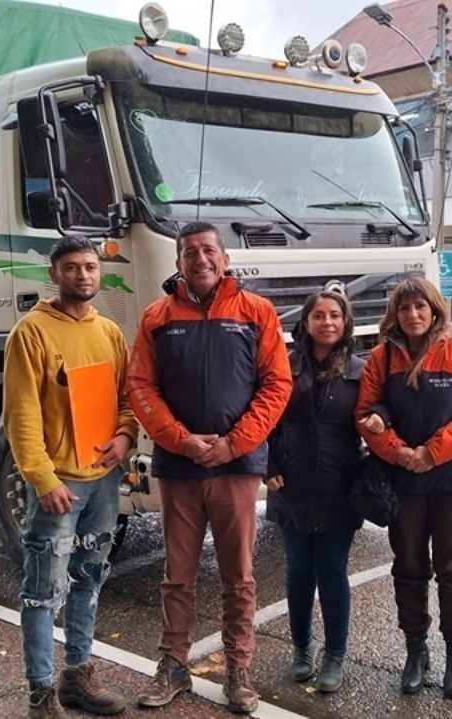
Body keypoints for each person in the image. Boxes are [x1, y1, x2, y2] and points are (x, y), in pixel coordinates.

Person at [127, 221, 292, 715]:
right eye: (190, 252)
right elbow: (140, 385)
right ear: (178, 262)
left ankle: (238, 669)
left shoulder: (255, 312)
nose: (200, 258)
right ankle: (173, 663)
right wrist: (181, 439)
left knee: (238, 575)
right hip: (178, 467)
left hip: (236, 467)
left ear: (225, 258)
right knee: (176, 575)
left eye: (208, 250)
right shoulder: (157, 316)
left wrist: (234, 444)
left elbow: (277, 385)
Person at [3, 235, 136, 719]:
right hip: (59, 486)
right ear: (53, 274)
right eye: (73, 268)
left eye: (91, 267)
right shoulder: (31, 333)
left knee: (89, 578)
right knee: (41, 593)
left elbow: (127, 398)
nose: (83, 275)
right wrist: (41, 478)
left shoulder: (110, 333)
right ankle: (41, 693)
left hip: (101, 481)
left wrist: (125, 438)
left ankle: (78, 676)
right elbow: (21, 415)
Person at [355, 275, 452, 699]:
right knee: (409, 566)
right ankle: (416, 650)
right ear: (395, 314)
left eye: (420, 307)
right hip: (403, 479)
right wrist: (397, 452)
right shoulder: (381, 357)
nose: (412, 315)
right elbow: (365, 412)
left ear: (434, 310)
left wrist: (430, 453)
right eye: (404, 308)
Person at [264, 285, 367, 693]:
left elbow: (376, 416)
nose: (327, 322)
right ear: (305, 323)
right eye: (319, 315)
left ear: (345, 324)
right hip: (290, 484)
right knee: (298, 571)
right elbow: (265, 421)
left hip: (340, 487)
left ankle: (335, 655)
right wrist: (267, 467)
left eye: (335, 316)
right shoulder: (283, 367)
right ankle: (301, 649)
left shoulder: (360, 371)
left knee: (333, 572)